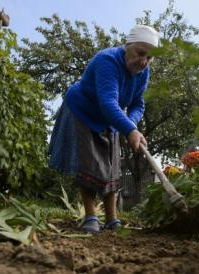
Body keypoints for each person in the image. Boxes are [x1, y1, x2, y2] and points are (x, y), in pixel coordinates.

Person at [48, 25, 159, 233]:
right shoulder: (107, 60)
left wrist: (131, 125)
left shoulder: (143, 73)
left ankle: (112, 219)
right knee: (89, 163)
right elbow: (107, 102)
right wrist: (129, 129)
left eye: (150, 58)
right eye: (141, 53)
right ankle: (91, 216)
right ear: (128, 46)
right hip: (83, 111)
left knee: (112, 166)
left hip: (110, 118)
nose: (144, 62)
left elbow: (137, 104)